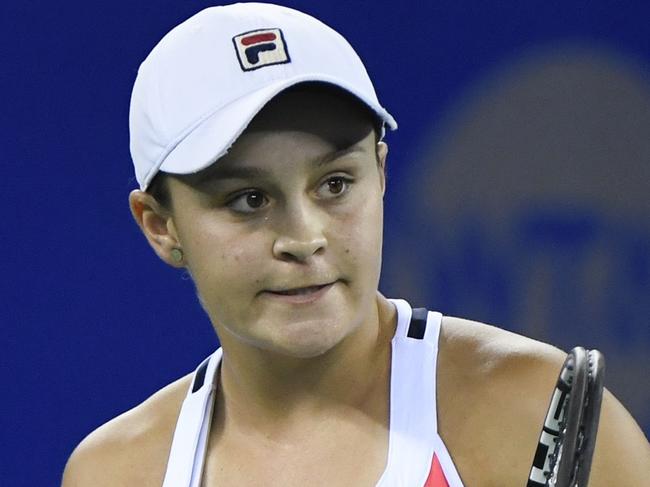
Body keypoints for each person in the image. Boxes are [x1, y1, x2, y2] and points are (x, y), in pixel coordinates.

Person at [62, 3, 650, 486]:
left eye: (335, 184)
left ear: (382, 173)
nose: (304, 237)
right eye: (248, 199)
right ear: (160, 226)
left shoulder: (538, 417)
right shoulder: (116, 472)